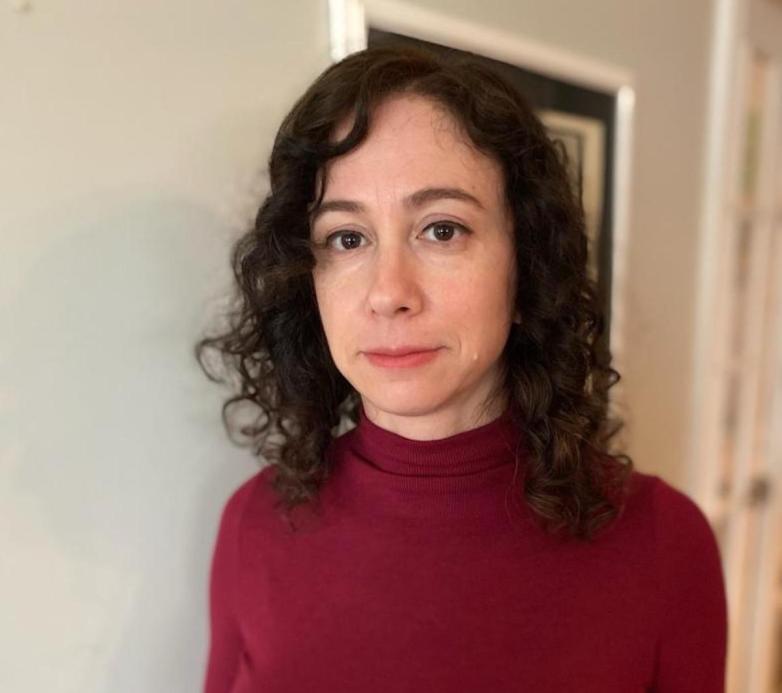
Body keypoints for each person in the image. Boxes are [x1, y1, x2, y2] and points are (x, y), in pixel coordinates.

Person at [195, 44, 727, 692]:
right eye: (347, 238)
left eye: (442, 229)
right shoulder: (253, 524)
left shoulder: (664, 544)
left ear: (526, 267)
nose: (389, 292)